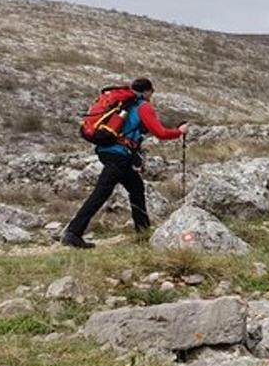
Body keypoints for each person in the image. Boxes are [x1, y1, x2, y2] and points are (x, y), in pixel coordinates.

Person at [63, 77, 187, 249]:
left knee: (136, 188)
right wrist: (179, 132)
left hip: (108, 152)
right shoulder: (143, 106)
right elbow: (161, 133)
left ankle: (143, 233)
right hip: (119, 155)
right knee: (101, 193)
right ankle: (73, 233)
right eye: (151, 93)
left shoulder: (124, 105)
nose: (151, 96)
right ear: (147, 91)